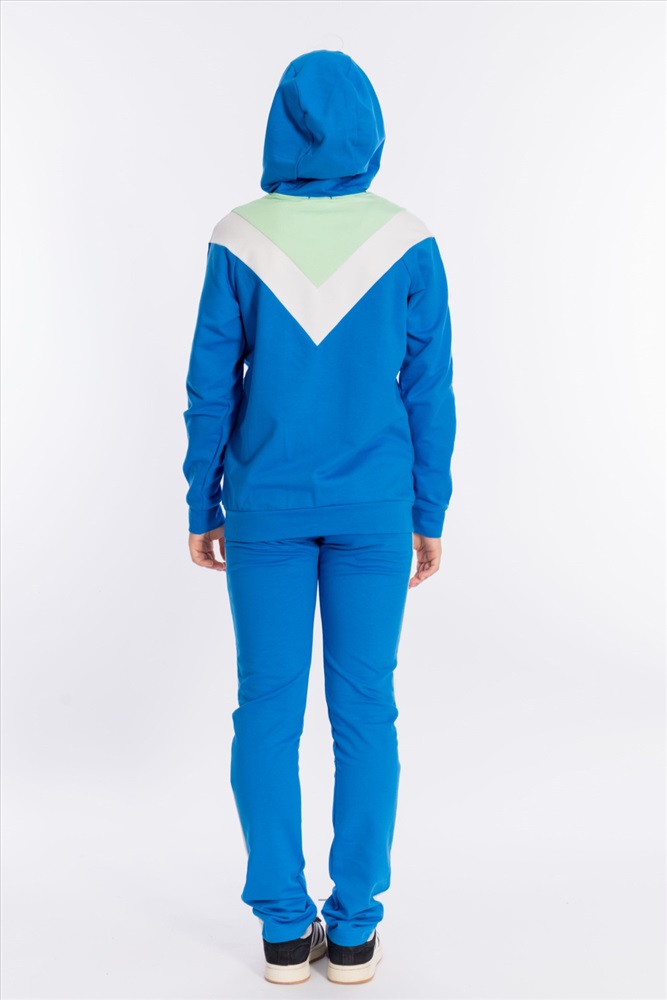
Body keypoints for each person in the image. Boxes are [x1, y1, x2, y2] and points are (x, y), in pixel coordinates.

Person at [181, 48, 457, 986]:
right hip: (376, 509)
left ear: (278, 126)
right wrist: (428, 509)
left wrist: (201, 500)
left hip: (262, 508)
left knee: (265, 710)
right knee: (364, 711)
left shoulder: (238, 236)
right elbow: (428, 388)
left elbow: (210, 384)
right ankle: (353, 931)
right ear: (370, 129)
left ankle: (279, 929)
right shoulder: (406, 238)